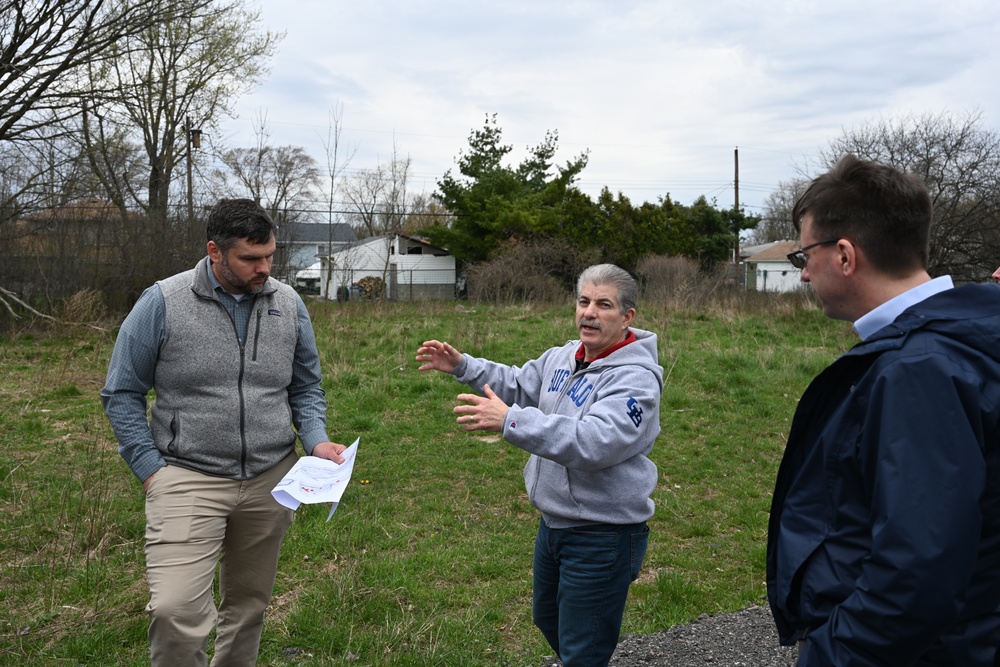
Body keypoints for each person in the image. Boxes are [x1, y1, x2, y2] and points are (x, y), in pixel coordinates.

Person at [767, 155, 1000, 666]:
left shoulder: (919, 369)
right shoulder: (967, 337)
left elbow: (918, 573)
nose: (804, 274)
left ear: (845, 256)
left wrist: (830, 656)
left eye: (804, 255)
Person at [101, 199, 346, 667]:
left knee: (249, 606)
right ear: (215, 251)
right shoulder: (162, 302)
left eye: (270, 256)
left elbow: (306, 384)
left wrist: (314, 438)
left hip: (271, 479)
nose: (265, 269)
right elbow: (121, 392)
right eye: (251, 259)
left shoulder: (288, 303)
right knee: (175, 612)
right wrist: (151, 471)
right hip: (186, 476)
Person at [416, 264, 662, 667]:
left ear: (627, 317)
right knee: (548, 619)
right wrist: (464, 366)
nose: (589, 313)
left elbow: (595, 442)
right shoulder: (564, 356)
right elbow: (518, 383)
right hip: (554, 524)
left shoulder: (636, 380)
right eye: (584, 302)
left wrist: (510, 420)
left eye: (604, 305)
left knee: (583, 649)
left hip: (603, 535)